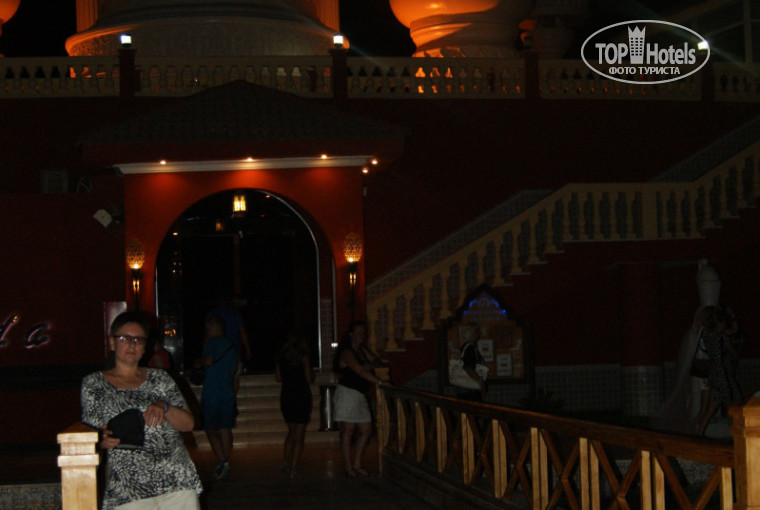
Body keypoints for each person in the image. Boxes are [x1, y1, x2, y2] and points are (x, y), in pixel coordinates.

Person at [80, 311, 202, 510]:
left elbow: (188, 424)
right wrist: (101, 440)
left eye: (138, 340)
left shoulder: (160, 379)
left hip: (176, 481)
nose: (132, 344)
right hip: (128, 488)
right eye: (125, 338)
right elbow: (90, 432)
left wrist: (164, 406)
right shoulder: (94, 383)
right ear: (112, 343)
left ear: (145, 347)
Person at [333, 320, 385, 477]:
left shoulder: (362, 350)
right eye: (359, 332)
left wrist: (368, 366)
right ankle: (349, 466)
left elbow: (376, 361)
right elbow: (359, 370)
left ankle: (357, 464)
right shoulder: (346, 352)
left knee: (366, 430)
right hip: (347, 394)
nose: (362, 335)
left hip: (360, 395)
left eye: (363, 332)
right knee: (348, 430)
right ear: (351, 334)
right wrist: (379, 382)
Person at [695, 306, 745, 435]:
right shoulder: (722, 337)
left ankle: (699, 433)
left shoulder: (707, 335)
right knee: (733, 404)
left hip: (714, 374)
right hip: (723, 375)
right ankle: (735, 433)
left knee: (713, 407)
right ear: (719, 323)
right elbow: (733, 353)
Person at [201, 314, 238, 479]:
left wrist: (201, 361)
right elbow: (233, 370)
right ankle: (225, 460)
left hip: (212, 391)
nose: (207, 332)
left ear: (215, 327)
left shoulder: (211, 343)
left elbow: (208, 361)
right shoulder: (231, 346)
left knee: (210, 428)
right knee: (225, 428)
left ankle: (223, 461)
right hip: (226, 391)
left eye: (208, 328)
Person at [275, 332, 314, 477]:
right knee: (299, 434)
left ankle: (286, 462)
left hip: (287, 395)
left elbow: (278, 378)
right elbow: (309, 379)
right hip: (301, 395)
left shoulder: (281, 357)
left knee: (291, 432)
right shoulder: (303, 357)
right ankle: (294, 467)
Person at [206, 295, 252, 395]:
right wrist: (248, 350)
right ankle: (231, 397)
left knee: (219, 375)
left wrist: (205, 352)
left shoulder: (213, 313)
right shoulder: (234, 313)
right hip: (233, 349)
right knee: (234, 376)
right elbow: (242, 332)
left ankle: (223, 396)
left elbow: (207, 334)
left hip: (217, 351)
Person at [456, 322, 488, 402]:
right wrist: (480, 382)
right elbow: (468, 367)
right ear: (473, 333)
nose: (479, 334)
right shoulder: (470, 348)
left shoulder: (464, 347)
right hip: (471, 389)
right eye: (478, 332)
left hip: (464, 388)